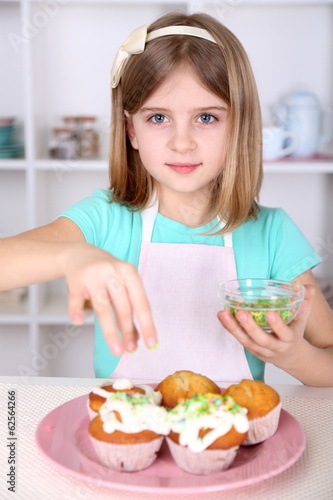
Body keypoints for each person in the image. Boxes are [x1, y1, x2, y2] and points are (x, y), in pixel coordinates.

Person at [1, 12, 333, 385]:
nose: (182, 142)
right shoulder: (107, 220)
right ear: (131, 131)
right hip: (129, 431)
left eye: (206, 118)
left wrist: (297, 358)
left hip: (232, 440)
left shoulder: (273, 234)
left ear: (238, 126)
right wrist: (72, 255)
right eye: (158, 118)